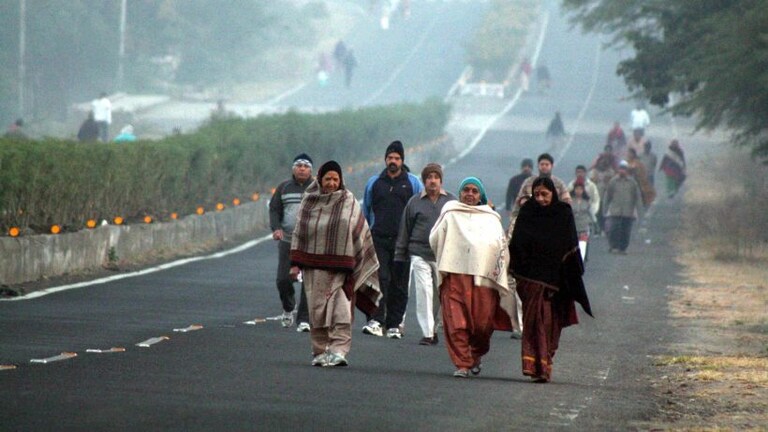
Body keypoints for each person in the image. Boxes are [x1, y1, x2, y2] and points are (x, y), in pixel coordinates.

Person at [290, 161, 382, 367]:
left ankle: (339, 351)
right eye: (327, 179)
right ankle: (320, 351)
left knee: (341, 311)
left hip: (342, 270)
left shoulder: (348, 201)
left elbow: (360, 232)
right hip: (314, 268)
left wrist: (356, 260)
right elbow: (300, 233)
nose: (331, 183)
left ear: (341, 181)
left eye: (335, 179)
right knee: (317, 311)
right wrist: (294, 264)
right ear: (320, 180)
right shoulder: (309, 203)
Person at [510, 176, 593, 383]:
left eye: (544, 194)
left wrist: (570, 276)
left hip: (555, 284)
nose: (540, 199)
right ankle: (535, 367)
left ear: (553, 194)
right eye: (536, 194)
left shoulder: (563, 214)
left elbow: (570, 248)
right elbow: (517, 245)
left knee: (550, 325)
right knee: (534, 323)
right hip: (530, 280)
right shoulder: (528, 212)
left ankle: (545, 364)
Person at [429, 177, 513, 378]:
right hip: (455, 277)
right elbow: (434, 238)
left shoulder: (491, 218)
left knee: (482, 325)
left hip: (483, 280)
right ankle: (462, 363)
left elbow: (501, 247)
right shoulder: (450, 212)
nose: (470, 194)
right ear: (460, 193)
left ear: (481, 196)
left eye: (475, 191)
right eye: (466, 190)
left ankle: (475, 354)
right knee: (456, 322)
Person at [363, 140, 423, 338]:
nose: (393, 161)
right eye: (390, 158)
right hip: (378, 238)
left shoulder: (413, 183)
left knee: (399, 283)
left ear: (402, 160)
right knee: (380, 279)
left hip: (402, 241)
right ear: (385, 159)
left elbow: (419, 210)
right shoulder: (374, 182)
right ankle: (376, 320)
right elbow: (366, 210)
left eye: (397, 158)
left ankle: (394, 324)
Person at [394, 163, 456, 346]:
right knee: (424, 292)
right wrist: (400, 255)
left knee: (438, 295)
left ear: (441, 180)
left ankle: (434, 328)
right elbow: (404, 230)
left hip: (443, 256)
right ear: (424, 181)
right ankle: (427, 333)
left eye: (436, 177)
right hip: (418, 253)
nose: (432, 181)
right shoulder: (414, 202)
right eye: (429, 177)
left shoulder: (451, 202)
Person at [269, 154, 314, 331]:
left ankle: (304, 319)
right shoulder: (284, 187)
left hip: (310, 242)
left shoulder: (317, 188)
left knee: (309, 281)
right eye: (299, 165)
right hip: (287, 240)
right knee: (282, 279)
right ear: (293, 168)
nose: (302, 168)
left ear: (311, 170)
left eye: (306, 166)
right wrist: (276, 228)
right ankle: (288, 307)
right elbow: (274, 209)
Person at [604, 160, 642, 254]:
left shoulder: (632, 183)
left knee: (626, 231)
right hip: (615, 210)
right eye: (621, 169)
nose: (622, 171)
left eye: (624, 169)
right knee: (613, 230)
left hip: (628, 211)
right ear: (618, 170)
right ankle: (613, 246)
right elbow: (607, 196)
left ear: (627, 170)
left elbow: (637, 197)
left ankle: (623, 248)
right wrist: (604, 210)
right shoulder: (613, 182)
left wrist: (639, 210)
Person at [589, 144, 618, 235]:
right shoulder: (594, 172)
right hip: (596, 197)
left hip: (606, 197)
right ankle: (598, 229)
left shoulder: (611, 171)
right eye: (601, 163)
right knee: (596, 214)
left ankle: (604, 229)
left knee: (604, 214)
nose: (602, 164)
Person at [567, 165, 600, 232]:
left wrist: (592, 212)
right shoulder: (571, 185)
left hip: (586, 216)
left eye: (581, 172)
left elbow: (596, 200)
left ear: (585, 173)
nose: (580, 174)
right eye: (578, 172)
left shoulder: (591, 186)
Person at [570, 180, 593, 262]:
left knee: (582, 250)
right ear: (574, 190)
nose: (578, 191)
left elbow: (591, 214)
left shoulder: (587, 202)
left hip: (584, 228)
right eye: (577, 189)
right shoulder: (569, 201)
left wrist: (594, 224)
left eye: (580, 189)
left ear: (583, 190)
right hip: (572, 228)